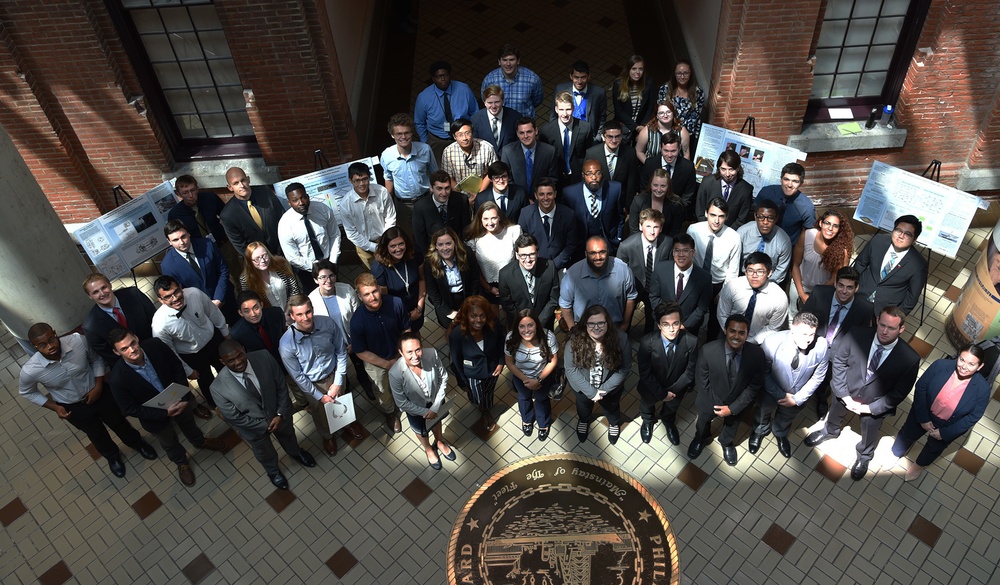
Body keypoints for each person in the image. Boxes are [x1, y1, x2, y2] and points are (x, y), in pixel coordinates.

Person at [20, 324, 155, 478]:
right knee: (96, 434)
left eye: (51, 339)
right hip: (74, 407)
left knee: (119, 422)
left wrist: (98, 386)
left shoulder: (77, 341)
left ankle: (137, 443)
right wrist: (54, 407)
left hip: (100, 393)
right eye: (42, 345)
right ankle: (113, 456)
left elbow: (96, 359)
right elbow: (27, 392)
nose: (50, 346)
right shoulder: (30, 370)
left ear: (55, 334)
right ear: (34, 346)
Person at [804, 306, 921, 481]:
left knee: (870, 431)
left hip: (874, 403)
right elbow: (839, 362)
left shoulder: (909, 358)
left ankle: (864, 456)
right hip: (846, 392)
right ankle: (830, 431)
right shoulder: (856, 334)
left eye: (891, 328)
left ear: (901, 329)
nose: (884, 331)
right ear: (877, 321)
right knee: (835, 412)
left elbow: (899, 393)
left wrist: (871, 408)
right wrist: (843, 394)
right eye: (882, 325)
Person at [107, 329, 226, 486]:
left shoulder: (155, 346)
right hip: (155, 418)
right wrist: (164, 413)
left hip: (179, 400)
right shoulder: (117, 378)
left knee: (190, 424)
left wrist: (183, 397)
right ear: (116, 352)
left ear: (136, 338)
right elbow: (130, 408)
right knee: (169, 441)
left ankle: (200, 441)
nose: (132, 349)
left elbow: (177, 367)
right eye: (124, 349)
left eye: (133, 343)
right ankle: (181, 462)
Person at [214, 341, 316, 490]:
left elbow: (281, 385)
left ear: (243, 349)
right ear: (222, 362)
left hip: (279, 415)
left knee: (289, 436)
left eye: (240, 355)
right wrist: (265, 425)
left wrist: (280, 414)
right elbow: (234, 417)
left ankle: (296, 452)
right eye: (231, 360)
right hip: (254, 429)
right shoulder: (217, 388)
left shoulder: (264, 357)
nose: (238, 362)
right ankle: (273, 472)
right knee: (264, 452)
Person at [891, 346, 991, 482]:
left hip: (948, 425)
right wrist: (923, 418)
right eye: (962, 360)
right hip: (924, 412)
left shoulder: (983, 388)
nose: (964, 366)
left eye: (971, 364)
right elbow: (921, 387)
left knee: (933, 449)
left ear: (980, 366)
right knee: (906, 434)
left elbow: (973, 416)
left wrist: (944, 433)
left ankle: (919, 465)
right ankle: (895, 453)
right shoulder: (940, 365)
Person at [280, 295, 361, 455]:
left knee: (341, 399)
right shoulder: (286, 344)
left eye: (308, 312)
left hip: (334, 374)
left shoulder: (327, 323)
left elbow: (341, 351)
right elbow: (298, 377)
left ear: (312, 309)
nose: (305, 318)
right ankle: (327, 435)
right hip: (312, 384)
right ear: (292, 316)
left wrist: (338, 381)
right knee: (319, 411)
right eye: (300, 314)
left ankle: (347, 423)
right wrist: (319, 395)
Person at [688, 315, 767, 466]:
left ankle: (726, 443)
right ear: (725, 330)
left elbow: (754, 386)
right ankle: (701, 438)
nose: (736, 336)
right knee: (702, 422)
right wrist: (718, 405)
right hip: (709, 400)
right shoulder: (708, 351)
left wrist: (732, 409)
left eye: (741, 333)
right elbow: (702, 382)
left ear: (747, 334)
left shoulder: (756, 355)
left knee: (732, 425)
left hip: (737, 403)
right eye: (732, 331)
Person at [749, 312, 829, 458]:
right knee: (762, 412)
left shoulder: (822, 346)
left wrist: (798, 399)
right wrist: (780, 395)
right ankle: (759, 430)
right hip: (770, 391)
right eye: (803, 334)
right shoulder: (772, 342)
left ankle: (780, 433)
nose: (808, 340)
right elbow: (764, 373)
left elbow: (818, 377)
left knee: (786, 417)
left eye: (811, 334)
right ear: (793, 328)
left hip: (798, 395)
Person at [802, 266, 874, 418]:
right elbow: (804, 316)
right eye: (841, 285)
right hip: (812, 344)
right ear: (835, 283)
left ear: (856, 288)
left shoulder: (865, 309)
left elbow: (861, 338)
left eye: (849, 287)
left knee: (826, 382)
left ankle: (821, 399)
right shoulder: (820, 293)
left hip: (838, 354)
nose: (844, 291)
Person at [151, 276, 229, 409]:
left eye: (176, 292)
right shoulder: (159, 324)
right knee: (206, 381)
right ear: (160, 300)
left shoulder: (194, 293)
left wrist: (226, 334)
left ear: (181, 288)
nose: (175, 298)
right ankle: (217, 406)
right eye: (168, 296)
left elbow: (213, 312)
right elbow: (169, 352)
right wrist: (187, 370)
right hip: (192, 354)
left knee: (227, 370)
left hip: (213, 340)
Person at [308, 259, 375, 402]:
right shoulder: (312, 300)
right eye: (322, 277)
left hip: (352, 339)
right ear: (315, 280)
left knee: (361, 365)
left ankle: (365, 382)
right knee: (339, 372)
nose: (328, 280)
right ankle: (346, 387)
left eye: (331, 275)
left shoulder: (346, 289)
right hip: (331, 346)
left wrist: (355, 341)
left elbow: (358, 316)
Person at [350, 273, 409, 434]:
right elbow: (360, 351)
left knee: (407, 380)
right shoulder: (357, 321)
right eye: (367, 294)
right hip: (376, 361)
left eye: (374, 291)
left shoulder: (396, 303)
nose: (373, 297)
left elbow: (406, 329)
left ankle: (409, 402)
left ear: (379, 289)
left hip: (400, 353)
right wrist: (386, 364)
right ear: (359, 296)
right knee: (382, 390)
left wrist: (405, 352)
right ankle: (390, 413)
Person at [565, 305, 632, 444]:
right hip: (582, 388)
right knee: (583, 407)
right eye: (591, 323)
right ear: (585, 324)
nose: (596, 327)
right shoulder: (575, 340)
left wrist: (603, 390)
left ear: (608, 322)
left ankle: (613, 423)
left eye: (601, 323)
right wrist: (591, 392)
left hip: (609, 389)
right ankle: (584, 420)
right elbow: (570, 369)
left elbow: (624, 369)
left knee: (611, 408)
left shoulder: (621, 339)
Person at [390, 332, 456, 470]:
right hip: (415, 408)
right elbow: (401, 402)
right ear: (401, 353)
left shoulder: (431, 354)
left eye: (418, 350)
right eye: (409, 352)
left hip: (435, 401)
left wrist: (435, 407)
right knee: (420, 431)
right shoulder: (395, 373)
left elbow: (443, 378)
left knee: (437, 421)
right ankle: (428, 449)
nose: (415, 356)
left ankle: (439, 442)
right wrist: (426, 412)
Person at [636, 302, 698, 445]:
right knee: (646, 406)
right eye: (666, 324)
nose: (671, 329)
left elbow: (690, 371)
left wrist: (672, 392)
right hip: (651, 387)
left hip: (677, 389)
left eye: (675, 323)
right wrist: (662, 394)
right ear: (658, 325)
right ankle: (647, 421)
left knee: (671, 409)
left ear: (681, 323)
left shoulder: (691, 342)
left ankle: (668, 422)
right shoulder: (647, 342)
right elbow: (645, 373)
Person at [687, 197, 742, 339]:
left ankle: (709, 349)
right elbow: (687, 257)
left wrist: (724, 292)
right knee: (693, 318)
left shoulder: (734, 237)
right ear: (706, 213)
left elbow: (733, 269)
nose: (716, 220)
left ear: (727, 217)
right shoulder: (693, 230)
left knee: (715, 322)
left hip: (718, 284)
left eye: (721, 216)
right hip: (696, 281)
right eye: (713, 215)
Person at [448, 296, 506, 432]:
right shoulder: (456, 335)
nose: (478, 320)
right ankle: (484, 410)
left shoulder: (493, 324)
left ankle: (486, 407)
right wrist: (462, 381)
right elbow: (456, 361)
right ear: (466, 316)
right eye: (473, 316)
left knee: (489, 391)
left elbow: (501, 342)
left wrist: (501, 362)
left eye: (482, 316)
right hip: (472, 373)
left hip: (493, 368)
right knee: (477, 397)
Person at [160, 220, 236, 323]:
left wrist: (218, 298)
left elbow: (223, 270)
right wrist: (206, 305)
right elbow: (179, 291)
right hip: (201, 311)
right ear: (169, 242)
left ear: (189, 233)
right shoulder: (168, 265)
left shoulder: (207, 244)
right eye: (175, 240)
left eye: (183, 236)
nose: (181, 242)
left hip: (226, 299)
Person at [853, 214, 928, 316]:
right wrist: (852, 286)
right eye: (898, 231)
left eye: (908, 234)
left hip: (883, 312)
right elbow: (861, 263)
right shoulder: (878, 241)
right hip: (858, 296)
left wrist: (894, 317)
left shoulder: (918, 264)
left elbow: (912, 296)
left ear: (915, 239)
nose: (901, 236)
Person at [560, 236, 638, 331]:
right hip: (585, 330)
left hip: (614, 328)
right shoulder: (572, 275)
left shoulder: (623, 270)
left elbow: (631, 297)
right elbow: (565, 305)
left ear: (608, 251)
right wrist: (573, 330)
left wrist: (625, 324)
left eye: (602, 252)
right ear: (586, 254)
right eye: (592, 253)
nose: (598, 257)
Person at [82, 272, 157, 369]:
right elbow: (111, 357)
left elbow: (155, 321)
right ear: (89, 296)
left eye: (104, 287)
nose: (102, 293)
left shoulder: (134, 295)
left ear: (110, 284)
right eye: (95, 292)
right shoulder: (91, 327)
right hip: (133, 368)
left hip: (157, 350)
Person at [504, 310, 558, 440]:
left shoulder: (548, 337)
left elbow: (553, 360)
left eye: (530, 325)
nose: (526, 330)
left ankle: (543, 424)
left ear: (537, 325)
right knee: (523, 397)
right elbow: (510, 363)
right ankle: (527, 420)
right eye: (522, 326)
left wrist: (538, 380)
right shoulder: (511, 338)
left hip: (542, 376)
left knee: (542, 399)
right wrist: (526, 380)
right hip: (520, 376)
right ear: (517, 327)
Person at [277, 182, 341, 291]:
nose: (301, 202)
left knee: (336, 291)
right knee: (314, 300)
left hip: (329, 262)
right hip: (306, 269)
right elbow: (292, 257)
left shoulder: (323, 210)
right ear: (289, 203)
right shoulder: (285, 224)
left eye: (303, 198)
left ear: (307, 196)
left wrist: (332, 262)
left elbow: (334, 235)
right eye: (295, 200)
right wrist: (315, 268)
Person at [616, 208, 673, 330]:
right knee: (626, 319)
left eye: (656, 227)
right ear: (640, 226)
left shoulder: (668, 243)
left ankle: (648, 342)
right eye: (648, 226)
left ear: (661, 228)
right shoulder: (626, 246)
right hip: (633, 288)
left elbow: (669, 270)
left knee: (652, 320)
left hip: (655, 289)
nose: (652, 231)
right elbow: (620, 274)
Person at [380, 113, 437, 234]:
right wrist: (387, 205)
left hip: (426, 200)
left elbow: (435, 174)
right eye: (399, 134)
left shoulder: (425, 149)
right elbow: (389, 179)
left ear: (412, 133)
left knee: (432, 235)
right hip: (403, 205)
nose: (403, 137)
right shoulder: (387, 155)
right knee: (408, 238)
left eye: (407, 132)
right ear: (392, 135)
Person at [790, 210, 854, 317]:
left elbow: (835, 278)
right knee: (793, 315)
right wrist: (801, 294)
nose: (830, 228)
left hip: (823, 290)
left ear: (839, 229)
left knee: (816, 319)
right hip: (800, 284)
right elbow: (795, 264)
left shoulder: (842, 250)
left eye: (835, 226)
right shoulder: (807, 235)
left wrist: (815, 295)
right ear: (821, 223)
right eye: (827, 223)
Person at [413, 60, 479, 162]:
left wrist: (473, 135)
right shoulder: (424, 97)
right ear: (433, 79)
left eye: (445, 75)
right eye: (439, 76)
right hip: (437, 140)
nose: (443, 79)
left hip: (463, 137)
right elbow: (419, 122)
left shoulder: (464, 89)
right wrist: (425, 142)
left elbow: (475, 113)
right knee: (439, 172)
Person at [717, 252, 788, 343]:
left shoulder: (779, 297)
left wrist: (750, 341)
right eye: (750, 271)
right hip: (728, 335)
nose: (754, 276)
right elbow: (722, 314)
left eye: (760, 271)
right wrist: (731, 334)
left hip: (758, 341)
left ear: (770, 273)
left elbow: (773, 327)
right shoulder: (732, 286)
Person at [649, 234, 712, 335]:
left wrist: (684, 326)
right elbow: (654, 296)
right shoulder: (661, 269)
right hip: (663, 326)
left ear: (693, 252)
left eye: (686, 250)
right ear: (673, 252)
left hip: (688, 329)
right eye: (677, 250)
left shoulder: (704, 278)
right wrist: (665, 320)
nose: (681, 254)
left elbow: (701, 308)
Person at [340, 161, 398, 268]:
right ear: (350, 181)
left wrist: (384, 242)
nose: (361, 184)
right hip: (364, 246)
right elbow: (352, 233)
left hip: (386, 240)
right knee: (374, 275)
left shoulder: (382, 192)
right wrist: (374, 247)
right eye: (357, 180)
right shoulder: (346, 204)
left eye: (364, 179)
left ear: (369, 178)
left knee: (393, 269)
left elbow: (390, 218)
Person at [499, 234, 560, 330]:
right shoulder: (505, 274)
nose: (528, 259)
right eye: (523, 255)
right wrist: (524, 324)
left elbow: (554, 298)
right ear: (516, 255)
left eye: (531, 254)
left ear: (538, 253)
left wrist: (540, 322)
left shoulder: (550, 267)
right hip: (518, 325)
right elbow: (507, 304)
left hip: (544, 323)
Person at [517, 178, 580, 270]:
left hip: (560, 266)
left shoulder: (568, 215)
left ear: (555, 194)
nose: (545, 198)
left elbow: (571, 245)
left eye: (549, 194)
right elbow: (523, 243)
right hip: (534, 265)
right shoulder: (526, 214)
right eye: (541, 194)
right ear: (536, 195)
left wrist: (554, 265)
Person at [561, 160, 624, 254]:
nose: (594, 177)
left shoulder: (615, 189)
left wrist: (618, 238)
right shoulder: (570, 193)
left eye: (598, 173)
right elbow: (565, 222)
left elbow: (620, 216)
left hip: (608, 244)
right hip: (580, 247)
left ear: (602, 174)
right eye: (589, 174)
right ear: (583, 175)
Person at [465, 201, 521, 304]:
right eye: (486, 219)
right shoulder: (474, 239)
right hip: (487, 287)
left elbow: (520, 261)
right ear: (480, 220)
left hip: (512, 284)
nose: (490, 223)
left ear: (499, 217)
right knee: (492, 318)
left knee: (512, 317)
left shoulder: (513, 232)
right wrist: (489, 288)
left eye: (493, 218)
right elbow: (475, 268)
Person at [219, 166, 284, 256]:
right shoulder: (228, 215)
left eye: (243, 180)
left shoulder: (265, 192)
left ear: (248, 179)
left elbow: (282, 218)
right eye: (236, 183)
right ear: (230, 187)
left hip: (283, 250)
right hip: (259, 261)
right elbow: (240, 246)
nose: (241, 185)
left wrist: (281, 249)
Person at [372, 227, 426, 333]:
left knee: (415, 332)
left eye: (401, 244)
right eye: (393, 246)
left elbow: (422, 279)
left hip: (416, 304)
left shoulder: (415, 253)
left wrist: (419, 309)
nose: (398, 249)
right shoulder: (378, 268)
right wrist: (406, 316)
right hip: (395, 312)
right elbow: (385, 300)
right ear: (386, 247)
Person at [424, 228, 481, 328]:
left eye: (448, 243)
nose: (445, 248)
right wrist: (448, 312)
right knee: (450, 329)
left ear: (455, 243)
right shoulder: (430, 262)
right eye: (440, 244)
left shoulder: (466, 254)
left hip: (467, 297)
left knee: (470, 326)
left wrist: (468, 304)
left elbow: (475, 278)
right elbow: (432, 291)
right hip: (444, 301)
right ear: (436, 246)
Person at [539, 91, 594, 186]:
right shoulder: (546, 131)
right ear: (556, 109)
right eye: (561, 109)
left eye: (568, 109)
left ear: (573, 108)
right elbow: (544, 158)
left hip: (578, 178)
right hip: (555, 178)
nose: (565, 114)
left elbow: (589, 154)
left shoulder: (585, 128)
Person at [754, 163, 815, 247]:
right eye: (786, 179)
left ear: (801, 183)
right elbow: (753, 216)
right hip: (758, 242)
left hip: (786, 247)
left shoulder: (807, 207)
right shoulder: (766, 192)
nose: (789, 185)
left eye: (795, 181)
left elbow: (807, 236)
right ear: (780, 179)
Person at [412, 169, 471, 255]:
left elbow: (466, 229)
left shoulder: (461, 200)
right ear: (431, 188)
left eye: (447, 188)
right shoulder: (420, 207)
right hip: (434, 252)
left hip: (457, 250)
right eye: (439, 188)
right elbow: (420, 238)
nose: (444, 193)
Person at [639, 132, 697, 215]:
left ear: (679, 148)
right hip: (652, 212)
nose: (669, 155)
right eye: (666, 150)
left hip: (677, 213)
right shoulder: (650, 164)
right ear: (660, 148)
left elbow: (689, 193)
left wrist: (677, 210)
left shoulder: (688, 167)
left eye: (673, 151)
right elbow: (645, 189)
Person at [480, 43, 543, 118]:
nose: (508, 64)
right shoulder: (489, 80)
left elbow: (537, 101)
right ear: (499, 61)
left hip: (523, 125)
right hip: (500, 124)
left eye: (511, 60)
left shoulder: (532, 79)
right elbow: (486, 100)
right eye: (504, 60)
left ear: (518, 61)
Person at [736, 200, 792, 284]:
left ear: (776, 218)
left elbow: (780, 271)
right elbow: (734, 262)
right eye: (761, 217)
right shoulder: (742, 233)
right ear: (755, 216)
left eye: (770, 218)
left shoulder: (784, 241)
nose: (765, 222)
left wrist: (764, 285)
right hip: (743, 278)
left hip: (769, 282)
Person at [586, 121, 639, 209]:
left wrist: (628, 206)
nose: (614, 140)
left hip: (620, 204)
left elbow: (631, 183)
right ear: (603, 136)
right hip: (598, 202)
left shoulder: (630, 153)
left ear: (622, 136)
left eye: (617, 136)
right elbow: (586, 180)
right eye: (610, 136)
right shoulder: (592, 153)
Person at [499, 117, 559, 195]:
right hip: (516, 198)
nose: (525, 136)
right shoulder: (508, 151)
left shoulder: (549, 151)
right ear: (517, 133)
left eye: (529, 132)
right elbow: (507, 179)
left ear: (536, 131)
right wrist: (522, 198)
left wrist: (539, 197)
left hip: (541, 200)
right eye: (521, 133)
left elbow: (552, 179)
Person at [695, 150, 753, 228]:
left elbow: (741, 219)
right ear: (719, 168)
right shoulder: (707, 182)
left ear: (738, 168)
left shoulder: (746, 190)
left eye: (731, 169)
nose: (727, 174)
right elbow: (700, 210)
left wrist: (726, 234)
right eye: (723, 169)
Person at [441, 118, 496, 197]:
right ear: (454, 137)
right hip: (458, 194)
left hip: (484, 192)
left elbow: (492, 172)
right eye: (460, 135)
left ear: (472, 133)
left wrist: (479, 194)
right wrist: (462, 197)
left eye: (467, 133)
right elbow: (449, 176)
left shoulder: (487, 148)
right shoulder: (448, 152)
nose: (464, 138)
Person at [240, 242, 302, 311]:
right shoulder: (246, 280)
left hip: (291, 311)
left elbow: (294, 289)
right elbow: (252, 304)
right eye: (257, 259)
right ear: (250, 261)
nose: (262, 260)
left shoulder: (281, 264)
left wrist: (290, 310)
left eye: (264, 255)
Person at [553, 60, 606, 140]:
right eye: (576, 77)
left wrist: (597, 138)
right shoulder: (560, 89)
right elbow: (553, 115)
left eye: (583, 77)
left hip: (588, 137)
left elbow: (602, 117)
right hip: (566, 134)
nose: (579, 81)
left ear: (588, 76)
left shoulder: (599, 93)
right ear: (571, 76)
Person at [657, 59, 706, 143]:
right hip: (667, 134)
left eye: (686, 73)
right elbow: (659, 113)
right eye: (679, 73)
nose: (682, 77)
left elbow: (697, 118)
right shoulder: (665, 89)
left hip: (688, 136)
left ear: (690, 74)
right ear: (674, 74)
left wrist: (696, 138)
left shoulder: (698, 92)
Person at [611, 55, 656, 141]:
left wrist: (642, 126)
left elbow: (650, 107)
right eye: (634, 68)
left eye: (641, 69)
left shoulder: (649, 81)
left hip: (642, 124)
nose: (637, 72)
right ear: (628, 69)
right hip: (624, 125)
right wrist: (636, 127)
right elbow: (618, 111)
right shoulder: (618, 84)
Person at [628, 169, 684, 238]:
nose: (658, 189)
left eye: (663, 186)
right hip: (640, 241)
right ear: (650, 185)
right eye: (655, 185)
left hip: (665, 243)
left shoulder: (676, 203)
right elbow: (634, 229)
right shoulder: (638, 200)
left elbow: (675, 231)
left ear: (668, 187)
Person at [471, 84, 519, 153]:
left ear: (502, 101)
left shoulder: (515, 117)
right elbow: (475, 145)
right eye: (490, 102)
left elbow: (518, 145)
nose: (493, 106)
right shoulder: (475, 119)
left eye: (497, 102)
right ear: (484, 103)